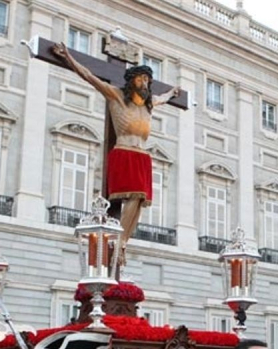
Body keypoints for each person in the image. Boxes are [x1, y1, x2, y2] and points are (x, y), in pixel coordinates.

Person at [52, 42, 181, 257]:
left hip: (142, 156)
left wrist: (173, 92)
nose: (144, 83)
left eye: (147, 79)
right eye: (140, 78)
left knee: (139, 200)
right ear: (132, 81)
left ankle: (122, 242)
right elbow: (89, 76)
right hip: (124, 151)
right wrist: (68, 57)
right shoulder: (116, 95)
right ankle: (118, 241)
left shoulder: (149, 104)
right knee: (135, 195)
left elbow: (165, 98)